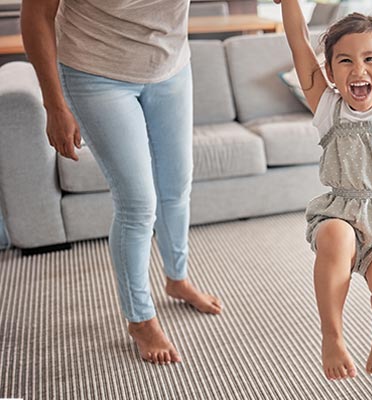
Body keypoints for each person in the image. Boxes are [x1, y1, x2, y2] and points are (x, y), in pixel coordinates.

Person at [22, 0, 222, 365]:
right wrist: (54, 105)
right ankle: (140, 319)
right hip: (94, 72)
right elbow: (36, 14)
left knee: (176, 187)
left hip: (171, 65)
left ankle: (177, 279)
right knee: (138, 205)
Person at [275, 0, 372, 380]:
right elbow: (298, 43)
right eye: (344, 61)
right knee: (333, 235)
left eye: (370, 59)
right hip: (341, 209)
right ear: (329, 71)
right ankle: (332, 336)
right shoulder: (328, 106)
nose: (358, 69)